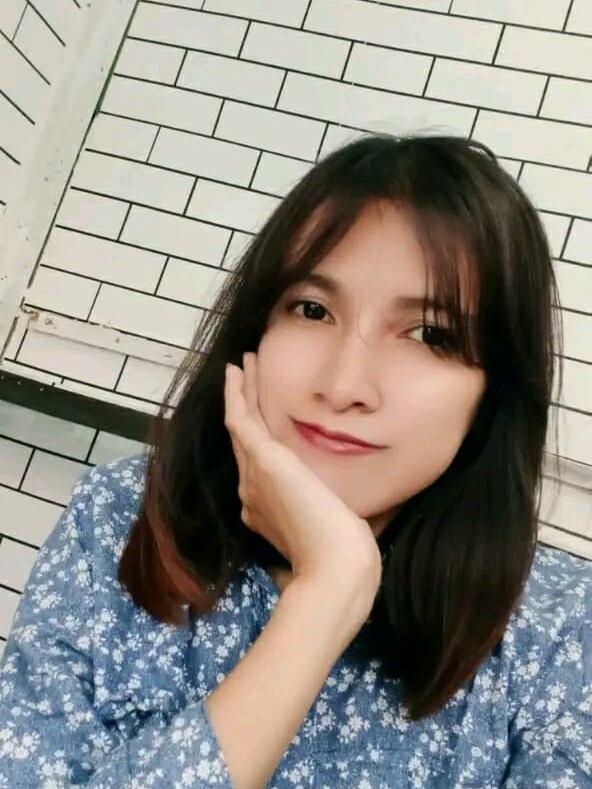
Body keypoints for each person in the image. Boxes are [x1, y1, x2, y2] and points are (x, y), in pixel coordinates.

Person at [0, 133, 590, 788]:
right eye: (312, 309)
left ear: (494, 390)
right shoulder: (122, 514)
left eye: (430, 334)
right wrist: (327, 593)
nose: (343, 385)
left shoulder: (561, 627)